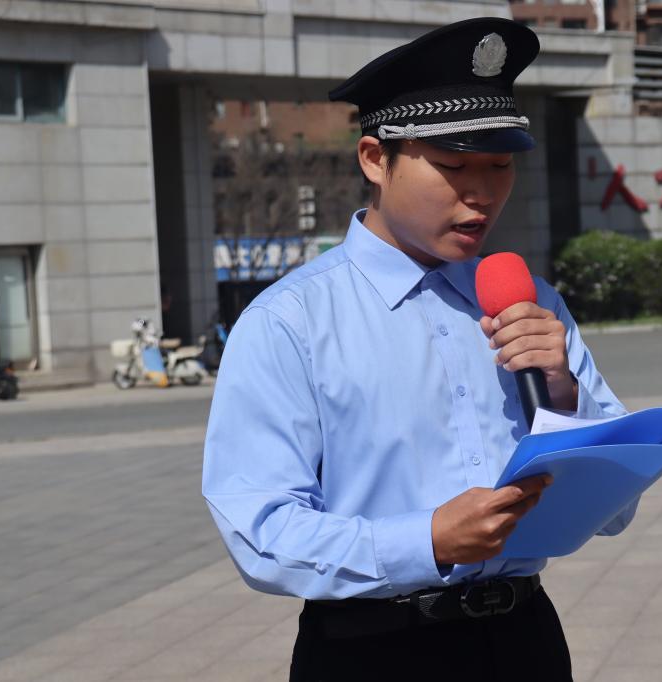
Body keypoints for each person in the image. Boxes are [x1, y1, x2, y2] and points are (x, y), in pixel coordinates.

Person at [201, 17, 638, 681]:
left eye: (500, 166)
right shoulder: (290, 321)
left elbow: (617, 510)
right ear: (375, 159)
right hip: (373, 651)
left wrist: (563, 396)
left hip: (525, 640)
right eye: (453, 166)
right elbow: (261, 531)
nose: (481, 194)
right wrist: (425, 541)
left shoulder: (531, 301)